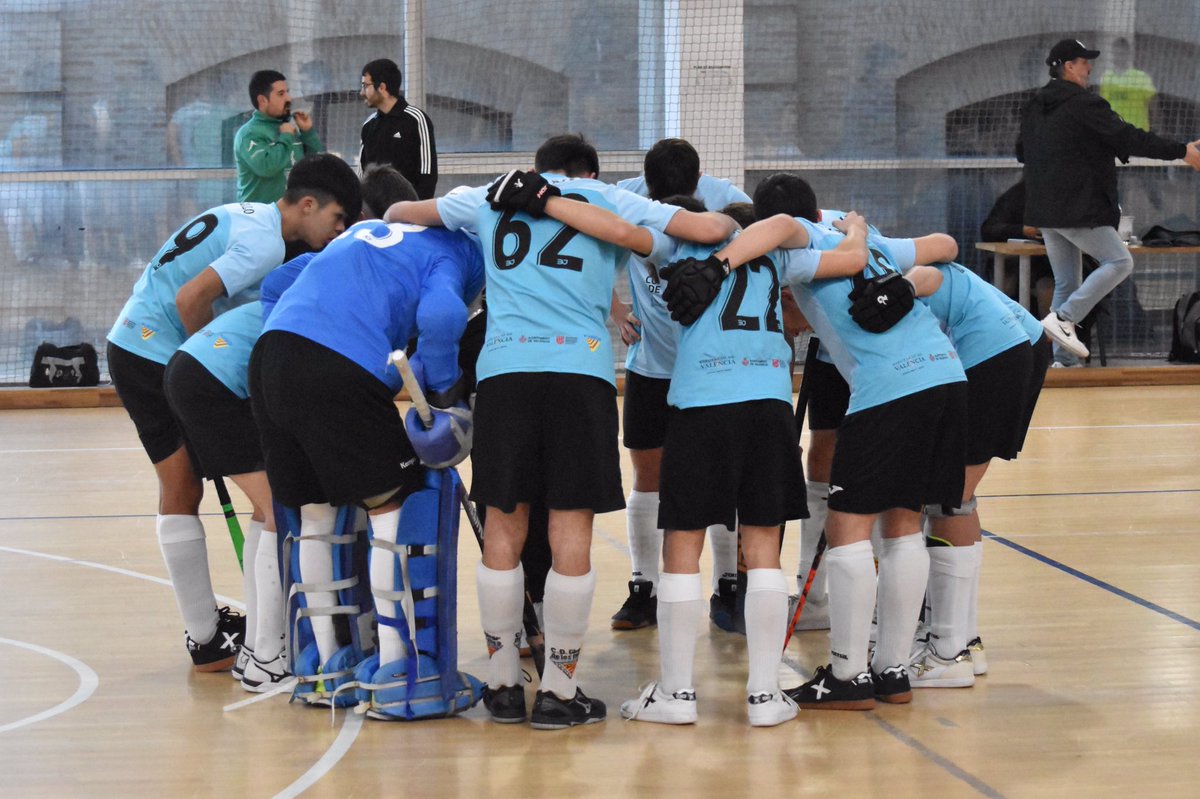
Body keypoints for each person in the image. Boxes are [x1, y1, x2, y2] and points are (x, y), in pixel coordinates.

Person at [385, 134, 736, 729]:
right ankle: (560, 691)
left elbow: (398, 213)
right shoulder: (607, 199)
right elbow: (711, 229)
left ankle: (500, 682)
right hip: (580, 373)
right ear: (590, 171)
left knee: (504, 522)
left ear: (537, 168)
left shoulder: (489, 197)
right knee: (569, 523)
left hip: (505, 375)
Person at [670, 173, 966, 710]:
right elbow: (946, 246)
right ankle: (892, 671)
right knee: (903, 524)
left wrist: (720, 265)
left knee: (848, 525)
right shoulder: (865, 238)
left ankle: (849, 676)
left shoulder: (799, 234)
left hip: (889, 385)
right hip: (944, 374)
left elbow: (781, 226)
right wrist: (866, 237)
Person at [105, 154, 360, 672]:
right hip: (156, 351)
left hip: (132, 343)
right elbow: (190, 297)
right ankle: (230, 639)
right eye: (336, 220)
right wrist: (202, 368)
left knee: (183, 488)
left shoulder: (250, 215)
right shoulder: (266, 243)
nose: (338, 233)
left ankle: (206, 634)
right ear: (308, 204)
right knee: (220, 493)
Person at [161, 164, 407, 692]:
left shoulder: (322, 268)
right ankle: (268, 654)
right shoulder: (350, 272)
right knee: (278, 511)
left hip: (201, 371)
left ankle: (260, 651)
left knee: (268, 511)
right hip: (212, 379)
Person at [250, 174, 485, 714]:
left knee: (315, 517)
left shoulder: (370, 232)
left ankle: (324, 665)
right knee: (392, 510)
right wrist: (450, 400)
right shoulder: (457, 249)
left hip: (270, 358)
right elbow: (443, 316)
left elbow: (277, 287)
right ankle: (400, 671)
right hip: (332, 364)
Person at [609, 139, 753, 631]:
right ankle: (643, 586)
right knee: (647, 476)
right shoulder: (625, 197)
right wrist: (614, 309)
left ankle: (730, 582)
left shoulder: (728, 201)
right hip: (650, 364)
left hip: (711, 372)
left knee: (721, 480)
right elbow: (585, 238)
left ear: (698, 188)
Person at [1016, 38, 1200, 365]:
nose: (1090, 68)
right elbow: (1128, 136)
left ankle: (1062, 361)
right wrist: (1182, 151)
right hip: (1078, 208)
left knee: (1067, 281)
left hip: (1044, 209)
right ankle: (1064, 318)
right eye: (1084, 61)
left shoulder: (1035, 105)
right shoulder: (1084, 104)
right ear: (1068, 66)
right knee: (1119, 262)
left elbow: (1022, 151)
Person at [234, 70, 323, 203]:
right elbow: (267, 167)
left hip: (292, 216)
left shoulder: (288, 128)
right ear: (262, 100)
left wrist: (307, 132)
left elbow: (314, 163)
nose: (289, 98)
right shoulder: (249, 134)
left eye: (288, 92)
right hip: (259, 218)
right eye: (281, 94)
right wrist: (286, 137)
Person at [359, 58, 438, 200]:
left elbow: (428, 173)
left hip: (409, 216)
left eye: (365, 86)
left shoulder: (416, 119)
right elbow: (362, 173)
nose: (361, 92)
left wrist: (415, 212)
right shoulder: (368, 125)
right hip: (376, 216)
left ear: (382, 87)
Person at [1099, 38, 1156, 132]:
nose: (1119, 56)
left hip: (1138, 133)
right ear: (1112, 54)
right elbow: (1103, 107)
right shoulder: (1106, 78)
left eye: (1122, 53)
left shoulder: (1141, 77)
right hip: (1114, 132)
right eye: (1116, 53)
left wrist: (1156, 127)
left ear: (1128, 54)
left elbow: (1154, 105)